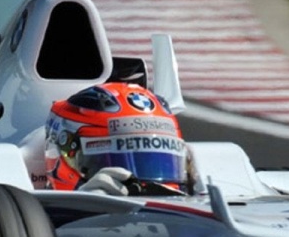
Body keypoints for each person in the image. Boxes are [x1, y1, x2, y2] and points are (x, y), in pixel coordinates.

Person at [44, 84, 189, 196]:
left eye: (159, 163)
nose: (140, 188)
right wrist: (80, 210)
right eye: (112, 161)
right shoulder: (33, 224)